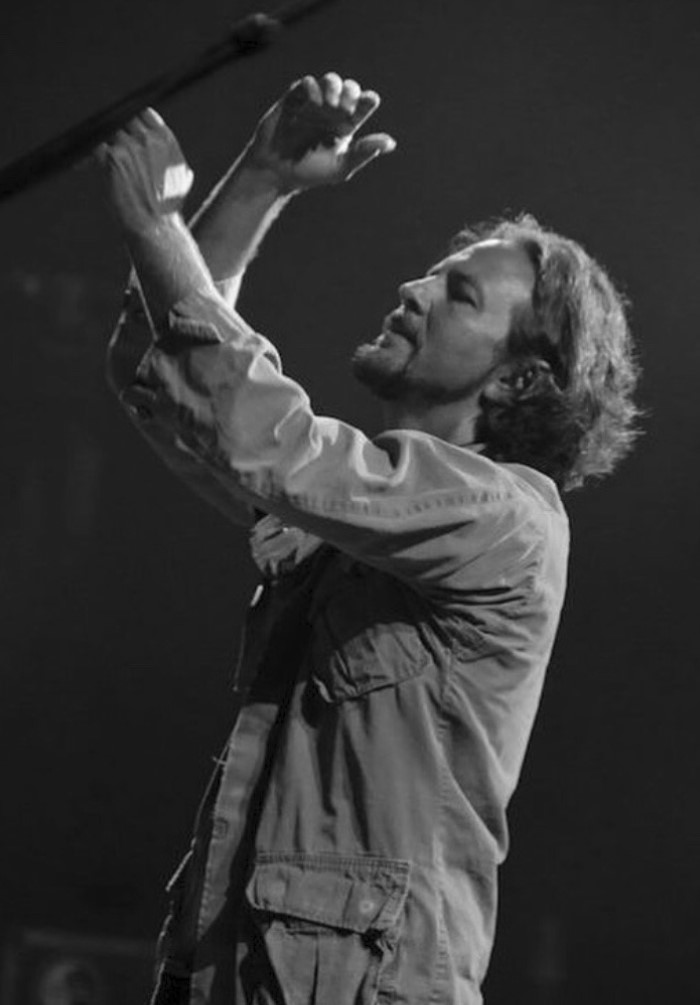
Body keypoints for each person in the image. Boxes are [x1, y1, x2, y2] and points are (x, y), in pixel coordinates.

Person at [99, 74, 640, 1005]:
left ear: (517, 385)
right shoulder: (367, 521)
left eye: (459, 294)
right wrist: (261, 180)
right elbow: (168, 380)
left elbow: (269, 439)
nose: (414, 288)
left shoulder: (505, 520)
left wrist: (160, 226)